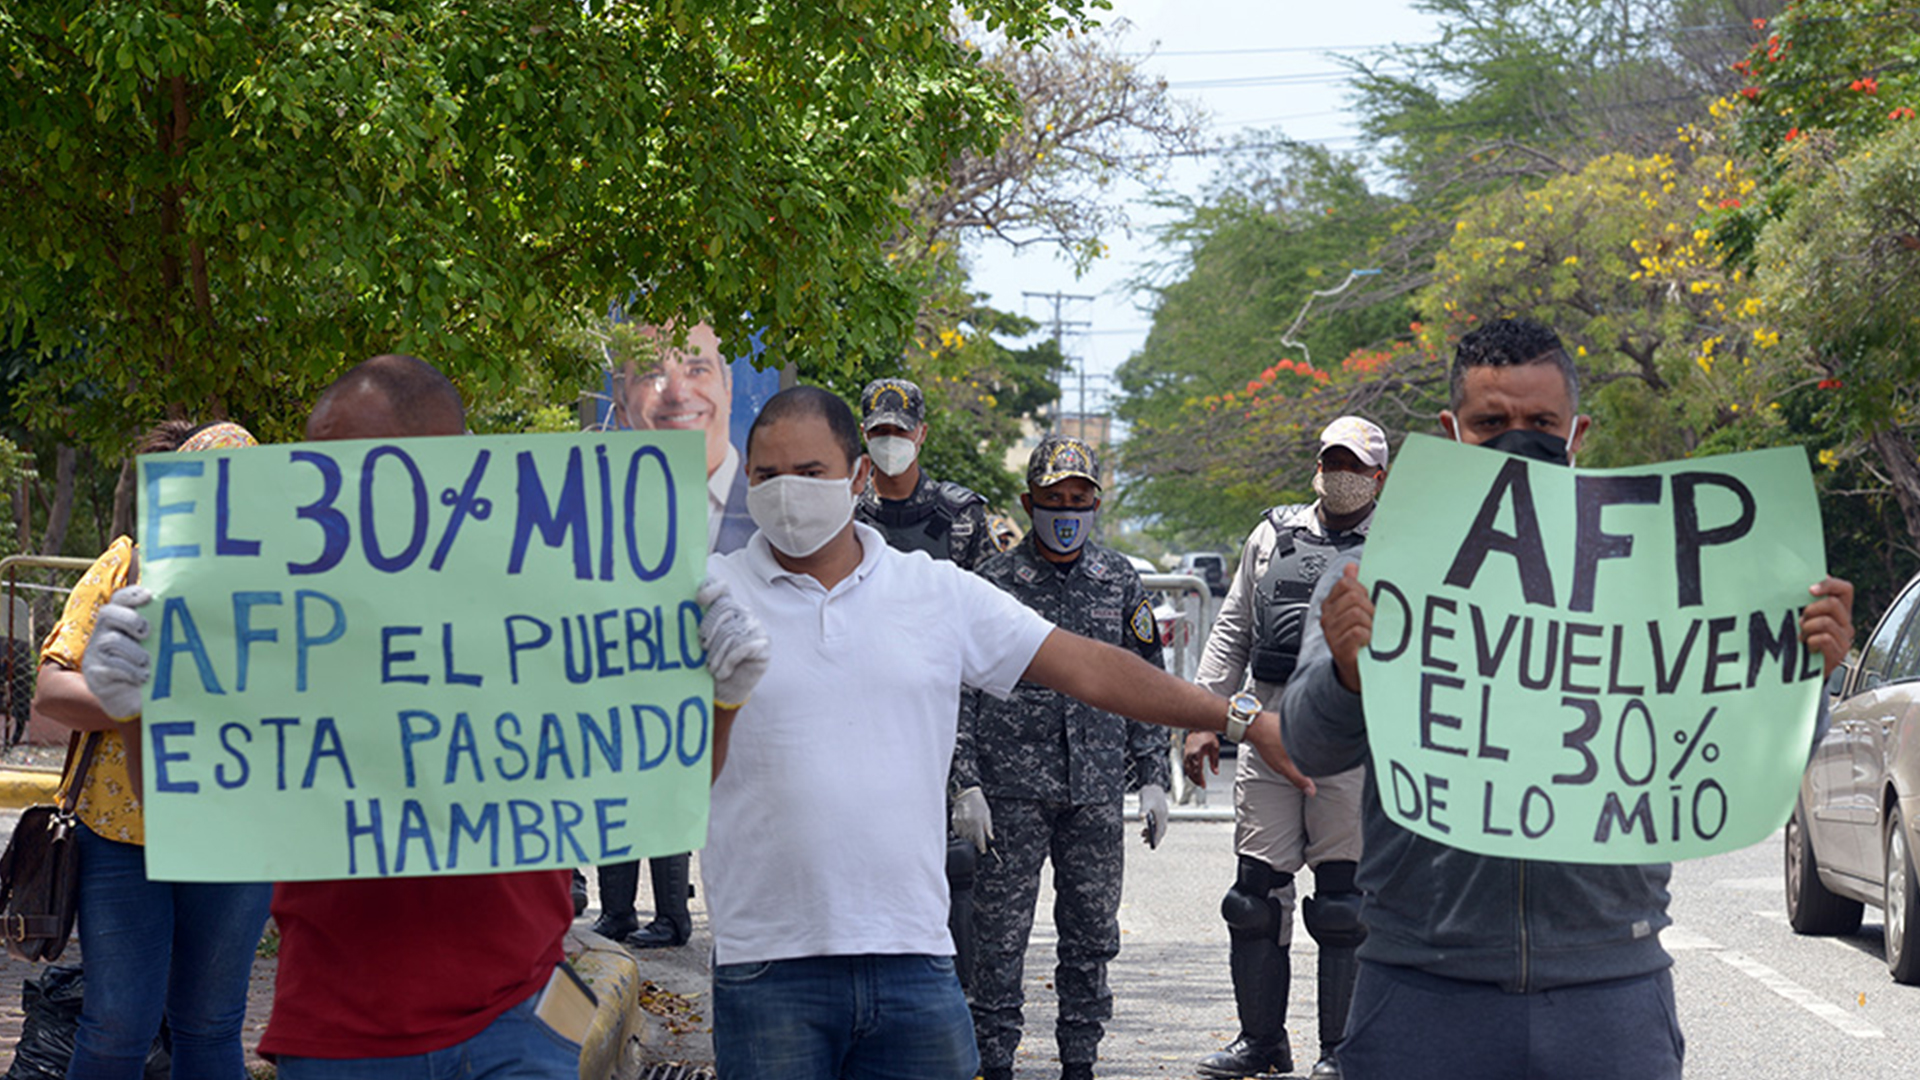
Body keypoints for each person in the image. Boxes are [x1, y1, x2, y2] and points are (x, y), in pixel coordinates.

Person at [79, 355, 758, 1076]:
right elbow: (200, 812)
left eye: (352, 466)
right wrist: (135, 714)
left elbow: (659, 789)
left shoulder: (549, 604)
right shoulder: (281, 630)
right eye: (312, 468)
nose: (321, 495)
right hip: (340, 1032)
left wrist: (720, 700)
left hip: (520, 1022)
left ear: (446, 470)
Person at [1279, 318, 1857, 1080]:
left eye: (1541, 423)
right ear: (1453, 433)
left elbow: (1754, 751)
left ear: (1576, 431)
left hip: (1611, 991)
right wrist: (1350, 671)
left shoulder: (1659, 581)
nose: (1520, 438)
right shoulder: (1374, 580)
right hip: (1420, 989)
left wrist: (1804, 673)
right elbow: (1310, 745)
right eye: (1493, 423)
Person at [700, 387, 1315, 1080]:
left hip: (913, 965)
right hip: (769, 966)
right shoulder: (709, 601)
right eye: (765, 475)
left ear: (859, 476)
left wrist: (1240, 719)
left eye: (808, 474)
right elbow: (674, 783)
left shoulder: (934, 593)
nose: (786, 493)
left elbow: (1092, 668)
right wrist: (723, 702)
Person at [32, 420, 274, 1080]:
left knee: (211, 1026)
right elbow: (50, 690)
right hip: (118, 838)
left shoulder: (286, 590)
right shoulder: (125, 565)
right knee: (117, 1025)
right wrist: (126, 699)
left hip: (235, 839)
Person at [954, 435, 1173, 1080]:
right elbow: (959, 688)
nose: (1068, 509)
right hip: (1009, 791)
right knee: (996, 943)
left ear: (1097, 504)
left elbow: (1145, 679)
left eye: (1080, 498)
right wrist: (964, 782)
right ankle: (994, 1063)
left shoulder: (1118, 579)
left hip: (1095, 790)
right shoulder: (992, 584)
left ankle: (1080, 1062)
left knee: (1091, 938)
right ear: (1029, 502)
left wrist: (1154, 776)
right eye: (1054, 498)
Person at [1183, 416, 1390, 1080]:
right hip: (1266, 714)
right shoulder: (1272, 535)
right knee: (1253, 895)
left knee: (1342, 902)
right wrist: (1202, 717)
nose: (1341, 473)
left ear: (1380, 477)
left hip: (1355, 725)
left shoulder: (1402, 542)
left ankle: (1341, 1051)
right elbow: (1233, 628)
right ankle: (1261, 1042)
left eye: (1355, 464)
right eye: (1332, 459)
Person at [603, 320, 745, 947]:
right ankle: (614, 910)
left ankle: (671, 914)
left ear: (727, 386)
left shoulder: (767, 511)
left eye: (695, 368)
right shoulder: (599, 499)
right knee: (615, 798)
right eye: (651, 374)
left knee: (664, 804)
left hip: (693, 685)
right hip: (612, 678)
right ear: (619, 395)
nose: (676, 391)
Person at [854, 377, 999, 571]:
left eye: (901, 430)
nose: (890, 439)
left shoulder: (961, 515)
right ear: (865, 433)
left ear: (922, 433)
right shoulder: (845, 511)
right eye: (880, 430)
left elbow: (990, 595)